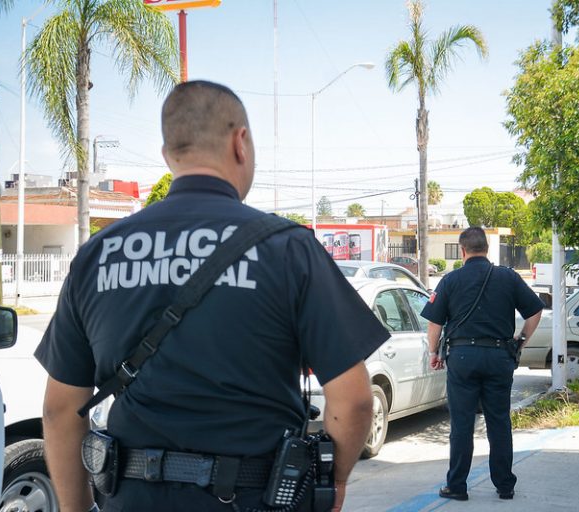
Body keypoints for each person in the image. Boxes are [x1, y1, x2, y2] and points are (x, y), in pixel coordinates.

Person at [34, 81, 389, 512]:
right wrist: (333, 482)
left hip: (131, 498)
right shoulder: (288, 248)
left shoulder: (97, 254)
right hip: (254, 499)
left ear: (169, 155)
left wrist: (77, 508)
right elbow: (353, 401)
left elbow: (60, 411)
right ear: (241, 143)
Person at [421, 227, 543, 502]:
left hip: (463, 358)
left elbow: (434, 323)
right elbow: (535, 310)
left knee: (462, 424)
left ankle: (457, 486)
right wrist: (521, 340)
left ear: (462, 250)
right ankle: (505, 486)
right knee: (499, 422)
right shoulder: (508, 277)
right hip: (499, 357)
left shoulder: (450, 280)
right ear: (487, 248)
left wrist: (433, 352)